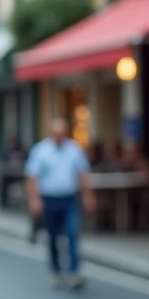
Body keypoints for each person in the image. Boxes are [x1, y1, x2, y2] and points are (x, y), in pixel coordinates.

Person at [26, 119, 95, 288]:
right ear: (51, 133)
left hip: (69, 198)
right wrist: (34, 200)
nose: (59, 137)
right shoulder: (41, 151)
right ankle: (56, 270)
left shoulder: (74, 150)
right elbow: (32, 177)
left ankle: (73, 272)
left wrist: (88, 196)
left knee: (72, 233)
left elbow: (82, 174)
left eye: (62, 133)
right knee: (53, 236)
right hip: (49, 199)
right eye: (56, 133)